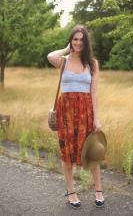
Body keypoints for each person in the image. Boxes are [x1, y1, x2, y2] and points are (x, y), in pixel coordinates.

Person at [47, 25, 104, 209]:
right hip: (65, 114)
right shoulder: (62, 61)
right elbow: (50, 56)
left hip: (86, 112)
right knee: (67, 153)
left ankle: (98, 190)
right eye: (75, 39)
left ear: (86, 42)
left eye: (81, 39)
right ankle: (72, 192)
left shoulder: (92, 64)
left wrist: (96, 119)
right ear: (71, 41)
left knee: (91, 151)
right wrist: (66, 49)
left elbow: (94, 94)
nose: (78, 42)